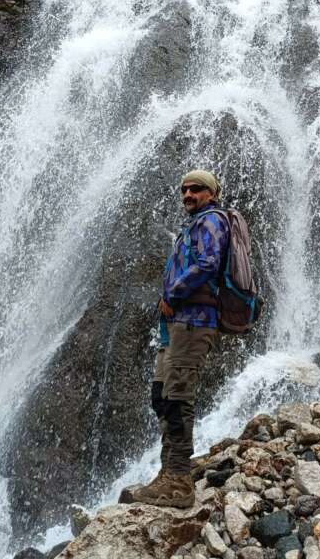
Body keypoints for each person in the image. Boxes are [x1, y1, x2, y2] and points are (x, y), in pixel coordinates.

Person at [131, 169, 230, 508]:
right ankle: (168, 471)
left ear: (211, 193)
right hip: (176, 325)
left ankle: (179, 481)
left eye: (196, 189)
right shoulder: (194, 224)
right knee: (162, 394)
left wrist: (172, 294)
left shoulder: (213, 221)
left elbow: (207, 264)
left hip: (194, 322)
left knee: (178, 396)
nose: (187, 194)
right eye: (184, 189)